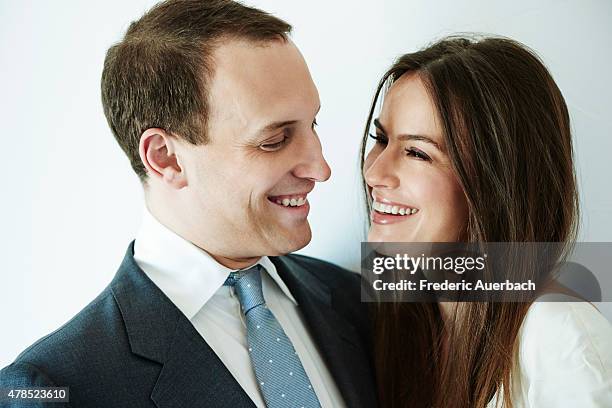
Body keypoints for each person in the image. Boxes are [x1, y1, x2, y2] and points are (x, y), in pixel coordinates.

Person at [0, 1, 377, 407]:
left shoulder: (356, 297)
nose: (321, 169)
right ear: (165, 157)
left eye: (312, 124)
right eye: (274, 140)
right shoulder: (51, 387)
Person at [361, 36, 612, 407]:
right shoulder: (397, 320)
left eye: (417, 152)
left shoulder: (558, 332)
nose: (374, 171)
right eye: (381, 139)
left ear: (496, 183)